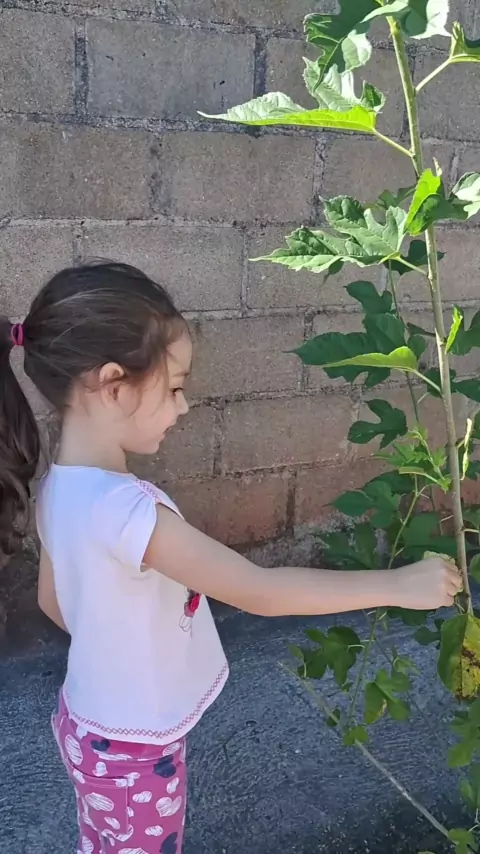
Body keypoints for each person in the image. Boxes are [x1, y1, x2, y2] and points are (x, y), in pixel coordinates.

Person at [0, 262, 461, 854]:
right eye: (174, 387)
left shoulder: (57, 488)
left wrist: (120, 643)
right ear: (113, 385)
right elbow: (259, 591)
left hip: (86, 727)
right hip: (135, 756)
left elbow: (54, 604)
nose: (184, 406)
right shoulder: (129, 513)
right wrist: (400, 584)